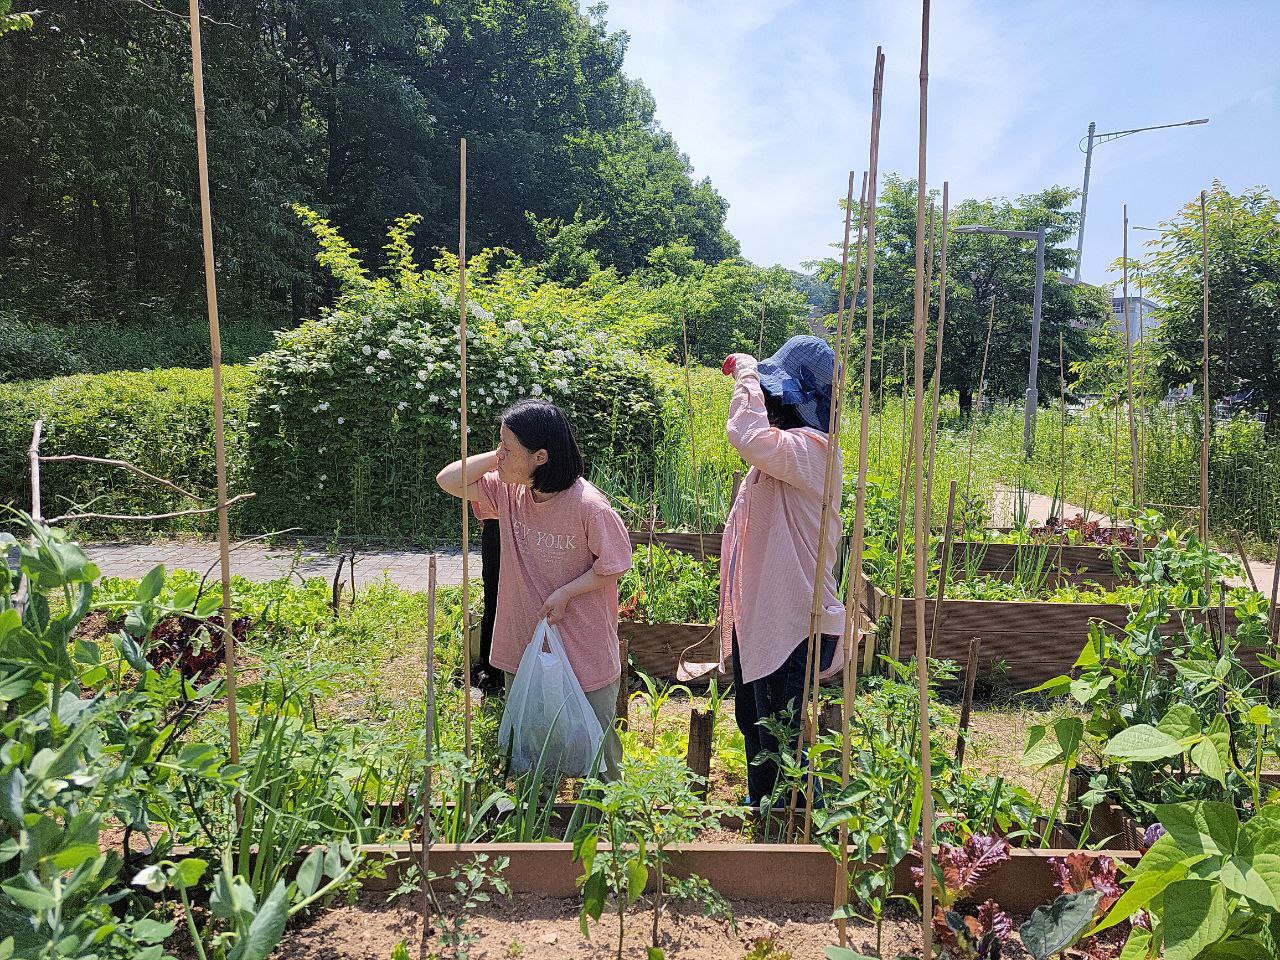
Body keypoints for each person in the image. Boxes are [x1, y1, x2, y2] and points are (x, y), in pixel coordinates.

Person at [435, 398, 632, 780]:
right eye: (499, 446)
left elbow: (614, 566)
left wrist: (566, 593)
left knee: (600, 747)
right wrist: (501, 457)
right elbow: (449, 480)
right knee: (534, 739)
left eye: (507, 449)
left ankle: (608, 823)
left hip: (581, 642)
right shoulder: (510, 493)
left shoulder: (589, 506)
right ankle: (539, 820)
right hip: (524, 638)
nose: (499, 456)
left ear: (540, 457)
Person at [719, 336, 845, 809]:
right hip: (764, 617)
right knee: (755, 721)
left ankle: (786, 836)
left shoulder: (814, 450)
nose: (766, 400)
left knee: (779, 736)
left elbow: (746, 435)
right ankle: (767, 817)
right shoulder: (788, 454)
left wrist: (748, 373)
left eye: (773, 391)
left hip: (795, 620)